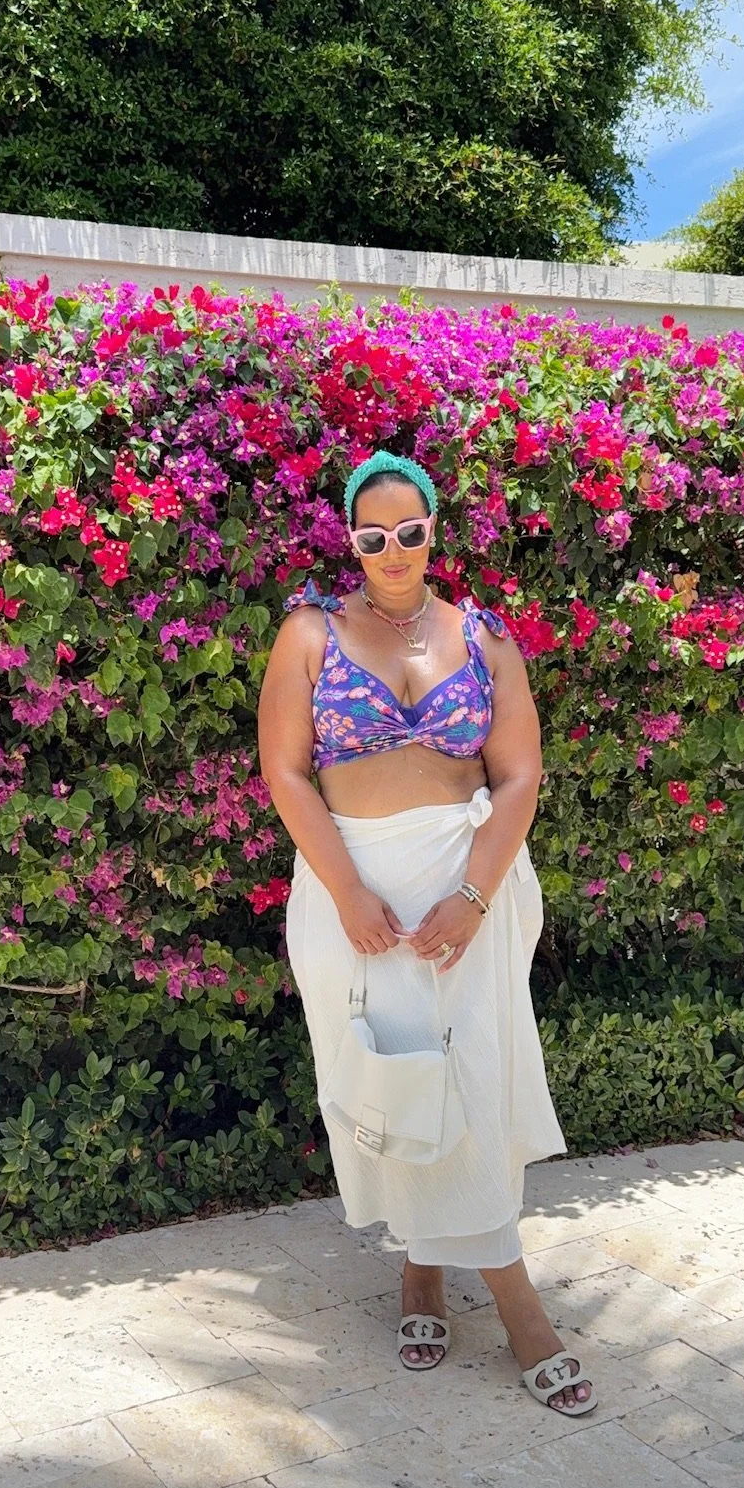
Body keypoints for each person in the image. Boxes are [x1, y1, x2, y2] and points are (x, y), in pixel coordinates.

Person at [258, 450, 596, 1413]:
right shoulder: (310, 634)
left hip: (466, 890)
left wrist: (476, 895)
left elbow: (519, 775)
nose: (394, 550)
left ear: (433, 530)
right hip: (353, 895)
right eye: (374, 536)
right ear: (351, 540)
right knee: (395, 1078)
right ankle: (427, 1273)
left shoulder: (483, 639)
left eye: (410, 531)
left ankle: (505, 1304)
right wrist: (346, 891)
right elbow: (286, 772)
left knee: (470, 1084)